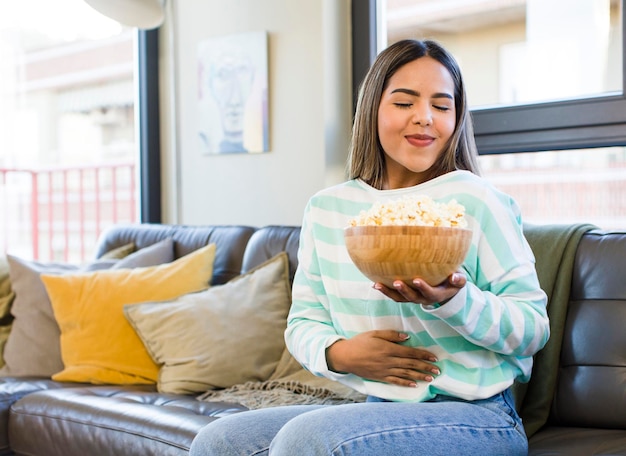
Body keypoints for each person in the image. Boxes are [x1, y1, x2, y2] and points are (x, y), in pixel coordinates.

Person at [190, 39, 550, 456]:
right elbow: (304, 323)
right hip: (379, 408)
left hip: (480, 416)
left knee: (308, 440)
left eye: (441, 105)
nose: (425, 118)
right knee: (219, 440)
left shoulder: (477, 201)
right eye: (404, 103)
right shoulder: (328, 209)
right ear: (373, 109)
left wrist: (456, 300)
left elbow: (532, 329)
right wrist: (341, 354)